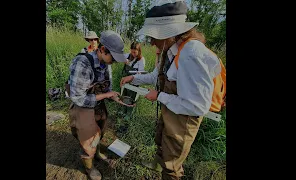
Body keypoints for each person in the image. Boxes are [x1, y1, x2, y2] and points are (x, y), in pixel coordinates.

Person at [120, 0, 223, 179]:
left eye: (153, 36)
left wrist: (160, 95)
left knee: (172, 164)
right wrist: (134, 77)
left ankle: (167, 172)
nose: (151, 42)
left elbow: (197, 106)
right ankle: (157, 166)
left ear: (168, 34)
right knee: (160, 140)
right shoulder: (170, 50)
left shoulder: (191, 54)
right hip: (172, 108)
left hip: (184, 119)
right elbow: (155, 76)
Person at [68, 30, 127, 180]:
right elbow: (77, 97)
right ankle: (89, 167)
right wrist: (105, 95)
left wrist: (112, 96)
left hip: (98, 105)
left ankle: (98, 153)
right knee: (88, 138)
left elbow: (106, 87)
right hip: (82, 107)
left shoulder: (106, 63)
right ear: (102, 49)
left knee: (100, 130)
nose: (113, 61)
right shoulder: (82, 62)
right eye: (112, 58)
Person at [119, 42, 146, 120]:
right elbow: (120, 57)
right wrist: (124, 60)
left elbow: (141, 72)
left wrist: (138, 73)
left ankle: (129, 114)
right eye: (132, 51)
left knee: (131, 98)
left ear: (139, 51)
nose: (133, 53)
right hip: (124, 81)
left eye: (135, 52)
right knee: (124, 95)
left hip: (134, 82)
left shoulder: (141, 60)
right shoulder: (128, 55)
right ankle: (123, 111)